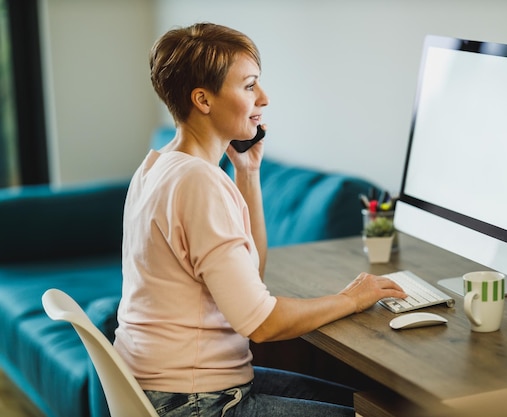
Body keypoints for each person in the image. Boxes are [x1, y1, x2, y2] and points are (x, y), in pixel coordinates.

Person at [114, 22, 406, 417]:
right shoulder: (197, 182)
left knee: (360, 401)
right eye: (250, 86)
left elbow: (252, 277)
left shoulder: (157, 165)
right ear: (203, 99)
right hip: (196, 402)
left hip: (166, 387)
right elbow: (262, 324)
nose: (263, 98)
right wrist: (351, 299)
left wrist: (248, 174)